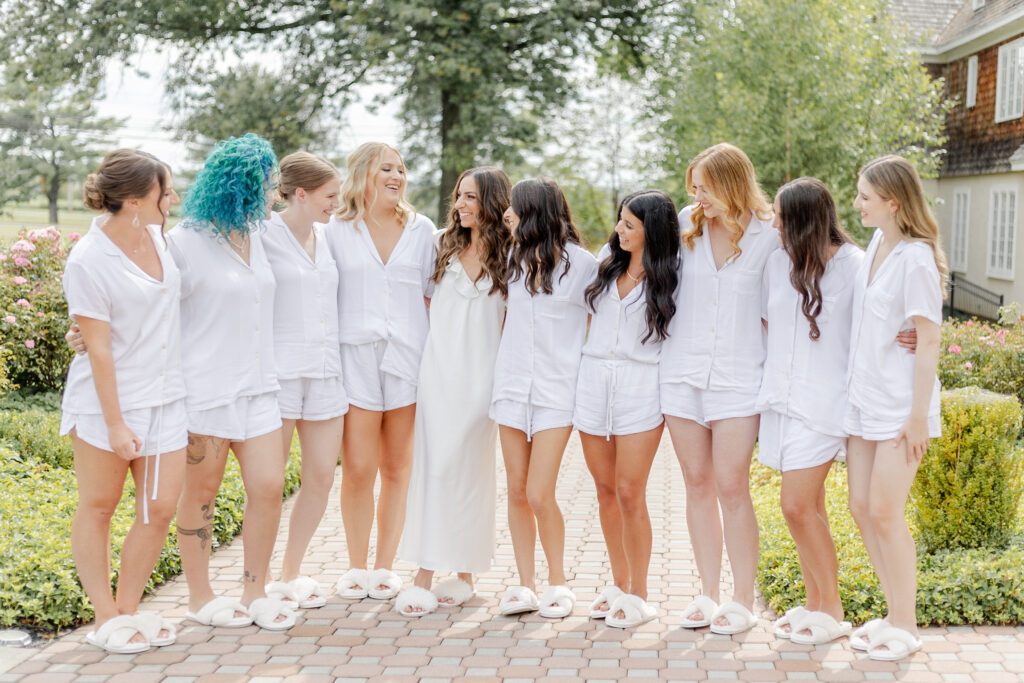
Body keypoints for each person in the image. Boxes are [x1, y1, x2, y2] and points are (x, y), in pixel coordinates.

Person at [168, 134, 292, 631]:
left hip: (260, 387)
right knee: (202, 492)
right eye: (270, 186)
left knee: (268, 486)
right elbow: (153, 310)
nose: (276, 196)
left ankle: (254, 590)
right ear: (243, 184)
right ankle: (200, 596)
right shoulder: (183, 242)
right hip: (206, 390)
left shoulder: (260, 236)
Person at [63, 149, 185, 653]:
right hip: (105, 403)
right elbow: (99, 352)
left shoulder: (162, 238)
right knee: (98, 506)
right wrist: (116, 424)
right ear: (135, 201)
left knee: (159, 509)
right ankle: (104, 618)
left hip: (167, 396)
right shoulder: (88, 260)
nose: (174, 199)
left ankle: (128, 611)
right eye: (166, 192)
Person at [660, 143, 778, 634]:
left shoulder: (771, 233)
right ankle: (708, 592)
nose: (697, 197)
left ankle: (742, 599)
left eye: (705, 188)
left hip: (739, 378)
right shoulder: (686, 224)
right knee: (697, 485)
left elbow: (832, 259)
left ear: (732, 184)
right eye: (695, 188)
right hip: (683, 374)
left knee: (732, 486)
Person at [395, 167, 512, 617]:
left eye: (471, 198)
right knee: (434, 468)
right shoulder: (440, 243)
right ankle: (423, 573)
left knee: (472, 474)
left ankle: (464, 574)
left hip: (484, 377)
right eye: (459, 196)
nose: (461, 205)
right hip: (439, 374)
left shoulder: (511, 252)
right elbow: (424, 305)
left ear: (493, 202)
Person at [323, 142, 437, 601]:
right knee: (357, 468)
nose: (396, 176)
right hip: (355, 359)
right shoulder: (335, 230)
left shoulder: (422, 229)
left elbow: (433, 297)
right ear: (362, 173)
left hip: (409, 359)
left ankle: (385, 567)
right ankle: (356, 567)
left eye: (402, 169)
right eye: (386, 168)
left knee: (397, 469)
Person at [844, 155, 945, 661]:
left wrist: (917, 417)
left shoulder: (917, 258)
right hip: (863, 399)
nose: (856, 203)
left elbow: (928, 340)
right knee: (860, 507)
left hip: (901, 407)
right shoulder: (878, 243)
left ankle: (905, 624)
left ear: (892, 202)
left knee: (886, 512)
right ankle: (891, 613)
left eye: (864, 195)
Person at [757, 178, 862, 644]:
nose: (773, 223)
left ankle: (833, 611)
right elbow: (766, 320)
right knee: (810, 507)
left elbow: (877, 327)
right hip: (781, 399)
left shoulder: (856, 267)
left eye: (781, 216)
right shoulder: (777, 262)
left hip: (825, 402)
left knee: (795, 506)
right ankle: (816, 603)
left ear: (805, 219)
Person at [489, 177, 598, 618]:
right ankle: (525, 585)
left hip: (557, 392)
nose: (507, 214)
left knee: (539, 492)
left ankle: (558, 581)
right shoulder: (511, 259)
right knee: (516, 491)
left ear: (535, 211)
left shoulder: (583, 265)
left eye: (514, 208)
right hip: (512, 387)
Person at [576, 190, 680, 628]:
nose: (619, 230)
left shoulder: (674, 273)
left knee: (630, 491)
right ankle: (619, 584)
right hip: (593, 382)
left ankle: (639, 592)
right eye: (620, 221)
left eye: (629, 225)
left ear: (651, 231)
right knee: (604, 490)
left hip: (641, 386)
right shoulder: (606, 261)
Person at [261, 152, 347, 609]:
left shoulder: (330, 237)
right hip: (279, 376)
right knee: (269, 483)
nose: (337, 203)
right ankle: (257, 577)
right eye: (330, 195)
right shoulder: (261, 235)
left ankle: (289, 574)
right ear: (300, 194)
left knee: (319, 478)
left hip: (326, 373)